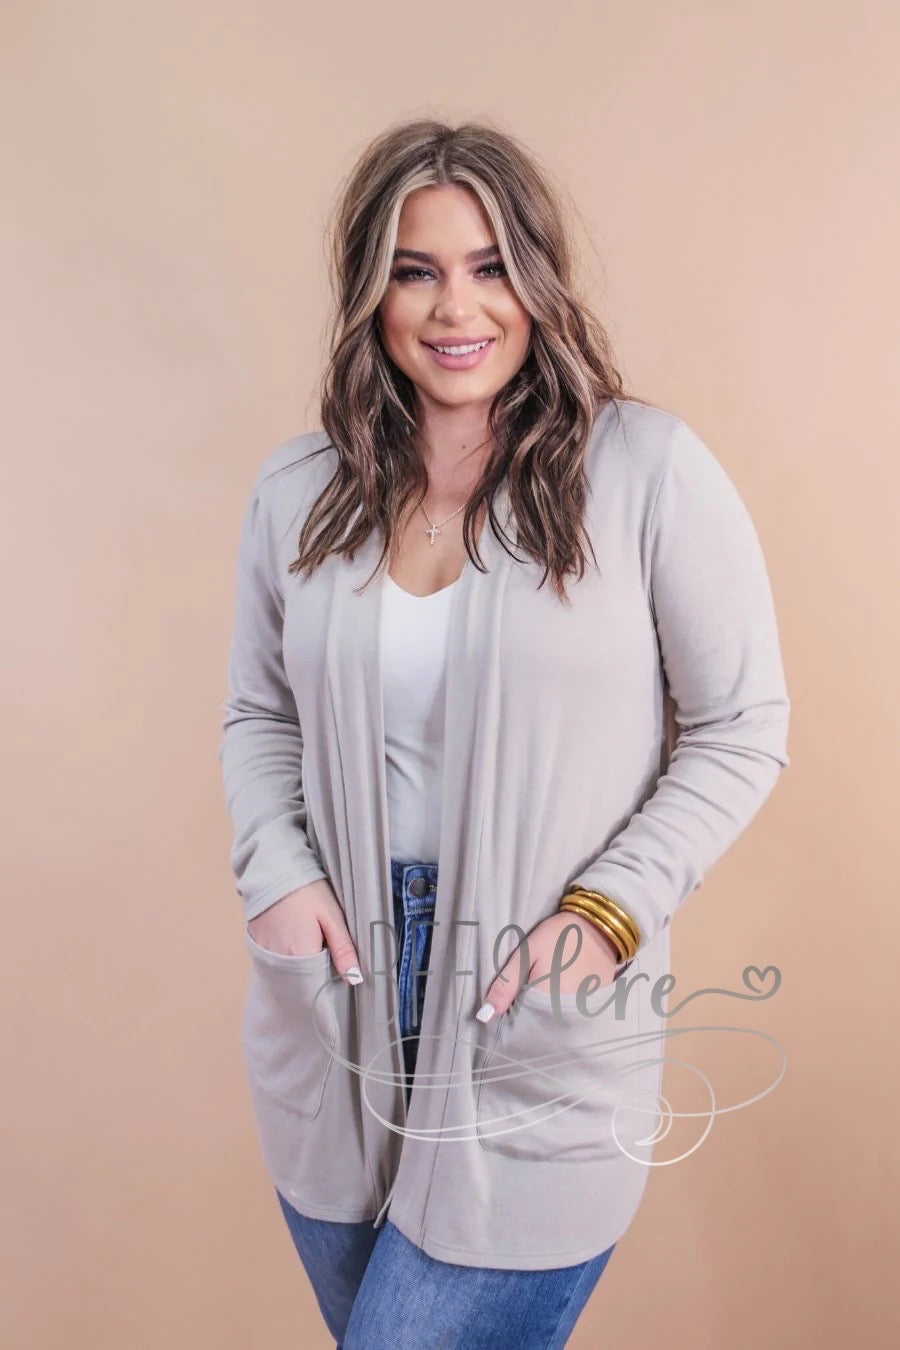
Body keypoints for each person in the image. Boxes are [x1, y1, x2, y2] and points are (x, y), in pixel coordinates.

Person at [217, 118, 791, 1348]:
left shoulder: (644, 473)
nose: (454, 308)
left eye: (489, 267)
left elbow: (743, 725)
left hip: (529, 992)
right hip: (336, 1001)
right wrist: (276, 876)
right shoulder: (298, 491)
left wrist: (612, 910)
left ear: (537, 281)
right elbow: (259, 712)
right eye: (415, 272)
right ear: (370, 295)